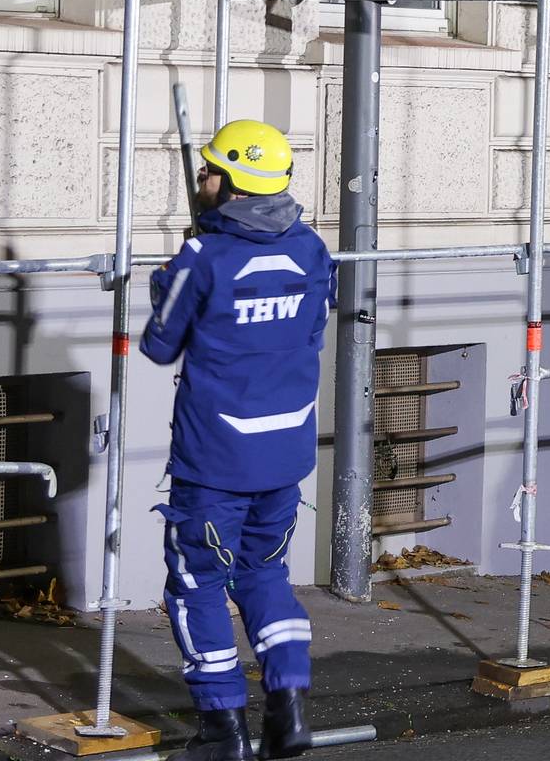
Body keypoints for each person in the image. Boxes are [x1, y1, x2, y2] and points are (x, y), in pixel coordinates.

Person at [140, 119, 336, 761]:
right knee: (264, 573)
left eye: (209, 169)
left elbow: (158, 344)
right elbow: (309, 324)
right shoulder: (311, 248)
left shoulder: (204, 259)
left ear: (232, 182)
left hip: (215, 460)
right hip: (284, 451)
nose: (201, 178)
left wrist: (168, 278)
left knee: (196, 583)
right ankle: (290, 712)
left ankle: (223, 731)